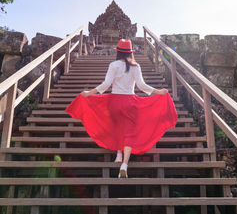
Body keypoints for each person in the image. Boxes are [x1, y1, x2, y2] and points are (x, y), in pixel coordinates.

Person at [65, 39, 178, 178]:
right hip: (130, 102)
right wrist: (158, 92)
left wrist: (89, 93)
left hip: (114, 102)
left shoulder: (114, 65)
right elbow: (142, 86)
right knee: (129, 132)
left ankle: (119, 154)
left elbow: (106, 84)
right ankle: (124, 164)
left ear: (118, 52)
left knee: (117, 127)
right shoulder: (136, 66)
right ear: (130, 52)